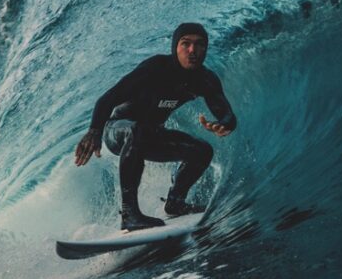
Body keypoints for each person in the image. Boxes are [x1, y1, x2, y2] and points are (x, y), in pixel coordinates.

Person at [74, 23, 237, 230]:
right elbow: (108, 98)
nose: (192, 50)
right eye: (185, 44)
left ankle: (175, 202)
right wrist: (94, 131)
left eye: (199, 44)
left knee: (202, 151)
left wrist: (223, 125)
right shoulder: (155, 69)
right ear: (175, 47)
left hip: (151, 135)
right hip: (118, 130)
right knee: (137, 130)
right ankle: (129, 214)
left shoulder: (205, 80)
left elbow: (227, 114)